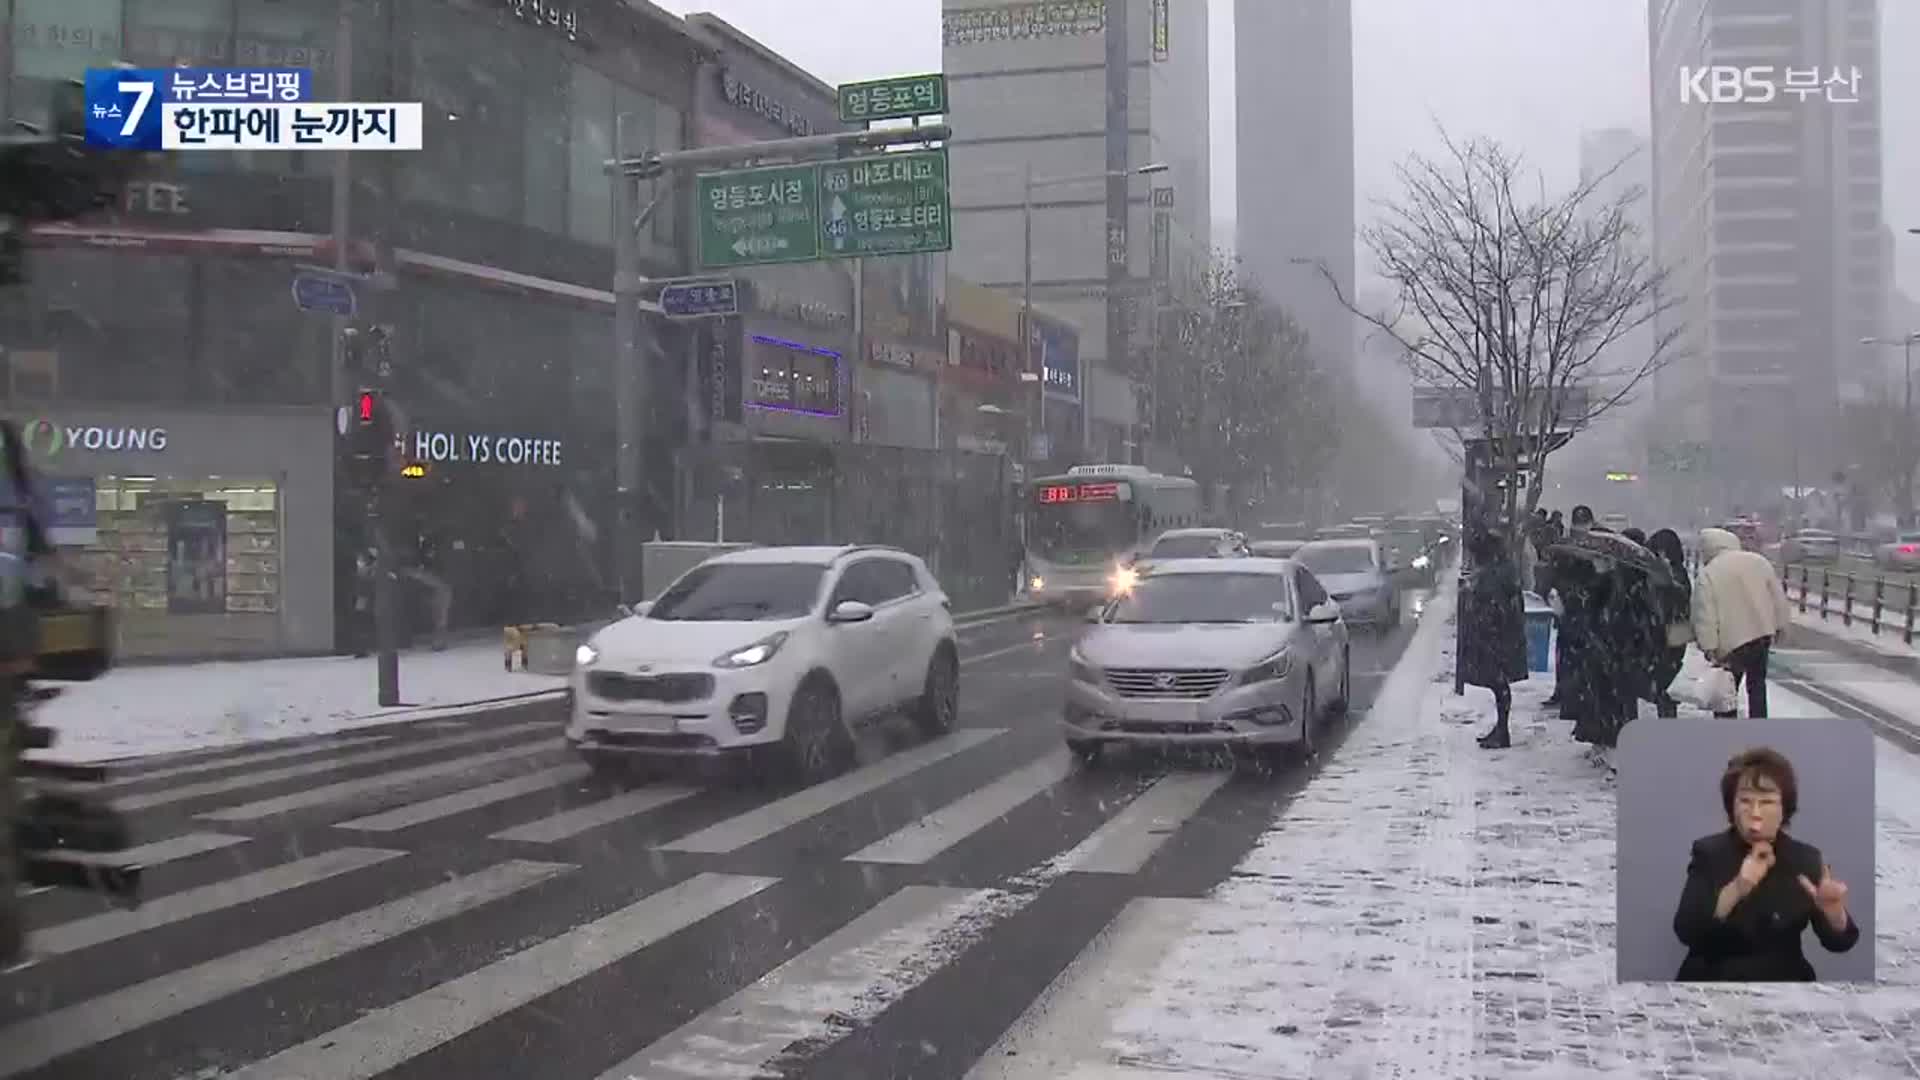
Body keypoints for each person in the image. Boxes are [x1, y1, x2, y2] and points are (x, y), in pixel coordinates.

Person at [1671, 747, 1858, 981]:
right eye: (1745, 801)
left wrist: (1834, 913)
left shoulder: (1805, 859)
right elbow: (1687, 930)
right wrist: (1736, 889)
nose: (1755, 812)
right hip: (1714, 979)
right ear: (1732, 805)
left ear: (1784, 808)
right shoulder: (1709, 853)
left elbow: (1840, 943)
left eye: (1767, 801)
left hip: (1785, 982)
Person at [1692, 526, 1792, 718]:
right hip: (1760, 635)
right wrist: (1781, 625)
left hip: (1730, 643)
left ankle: (1728, 730)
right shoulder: (1759, 562)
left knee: (1726, 690)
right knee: (1756, 685)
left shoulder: (1709, 573)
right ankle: (1758, 724)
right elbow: (1777, 597)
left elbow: (1705, 614)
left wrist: (1709, 646)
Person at [1461, 529, 1527, 749]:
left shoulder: (1497, 573)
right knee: (1498, 683)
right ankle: (1501, 728)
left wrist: (1473, 592)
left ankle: (1503, 731)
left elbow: (1492, 604)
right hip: (1501, 635)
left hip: (1497, 636)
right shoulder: (1501, 569)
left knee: (1498, 682)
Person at [1645, 528, 1693, 718]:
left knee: (1666, 677)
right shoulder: (1669, 572)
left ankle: (1667, 718)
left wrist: (1667, 585)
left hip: (1673, 629)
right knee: (1666, 678)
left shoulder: (1674, 573)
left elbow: (1678, 598)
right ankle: (1666, 714)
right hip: (1675, 628)